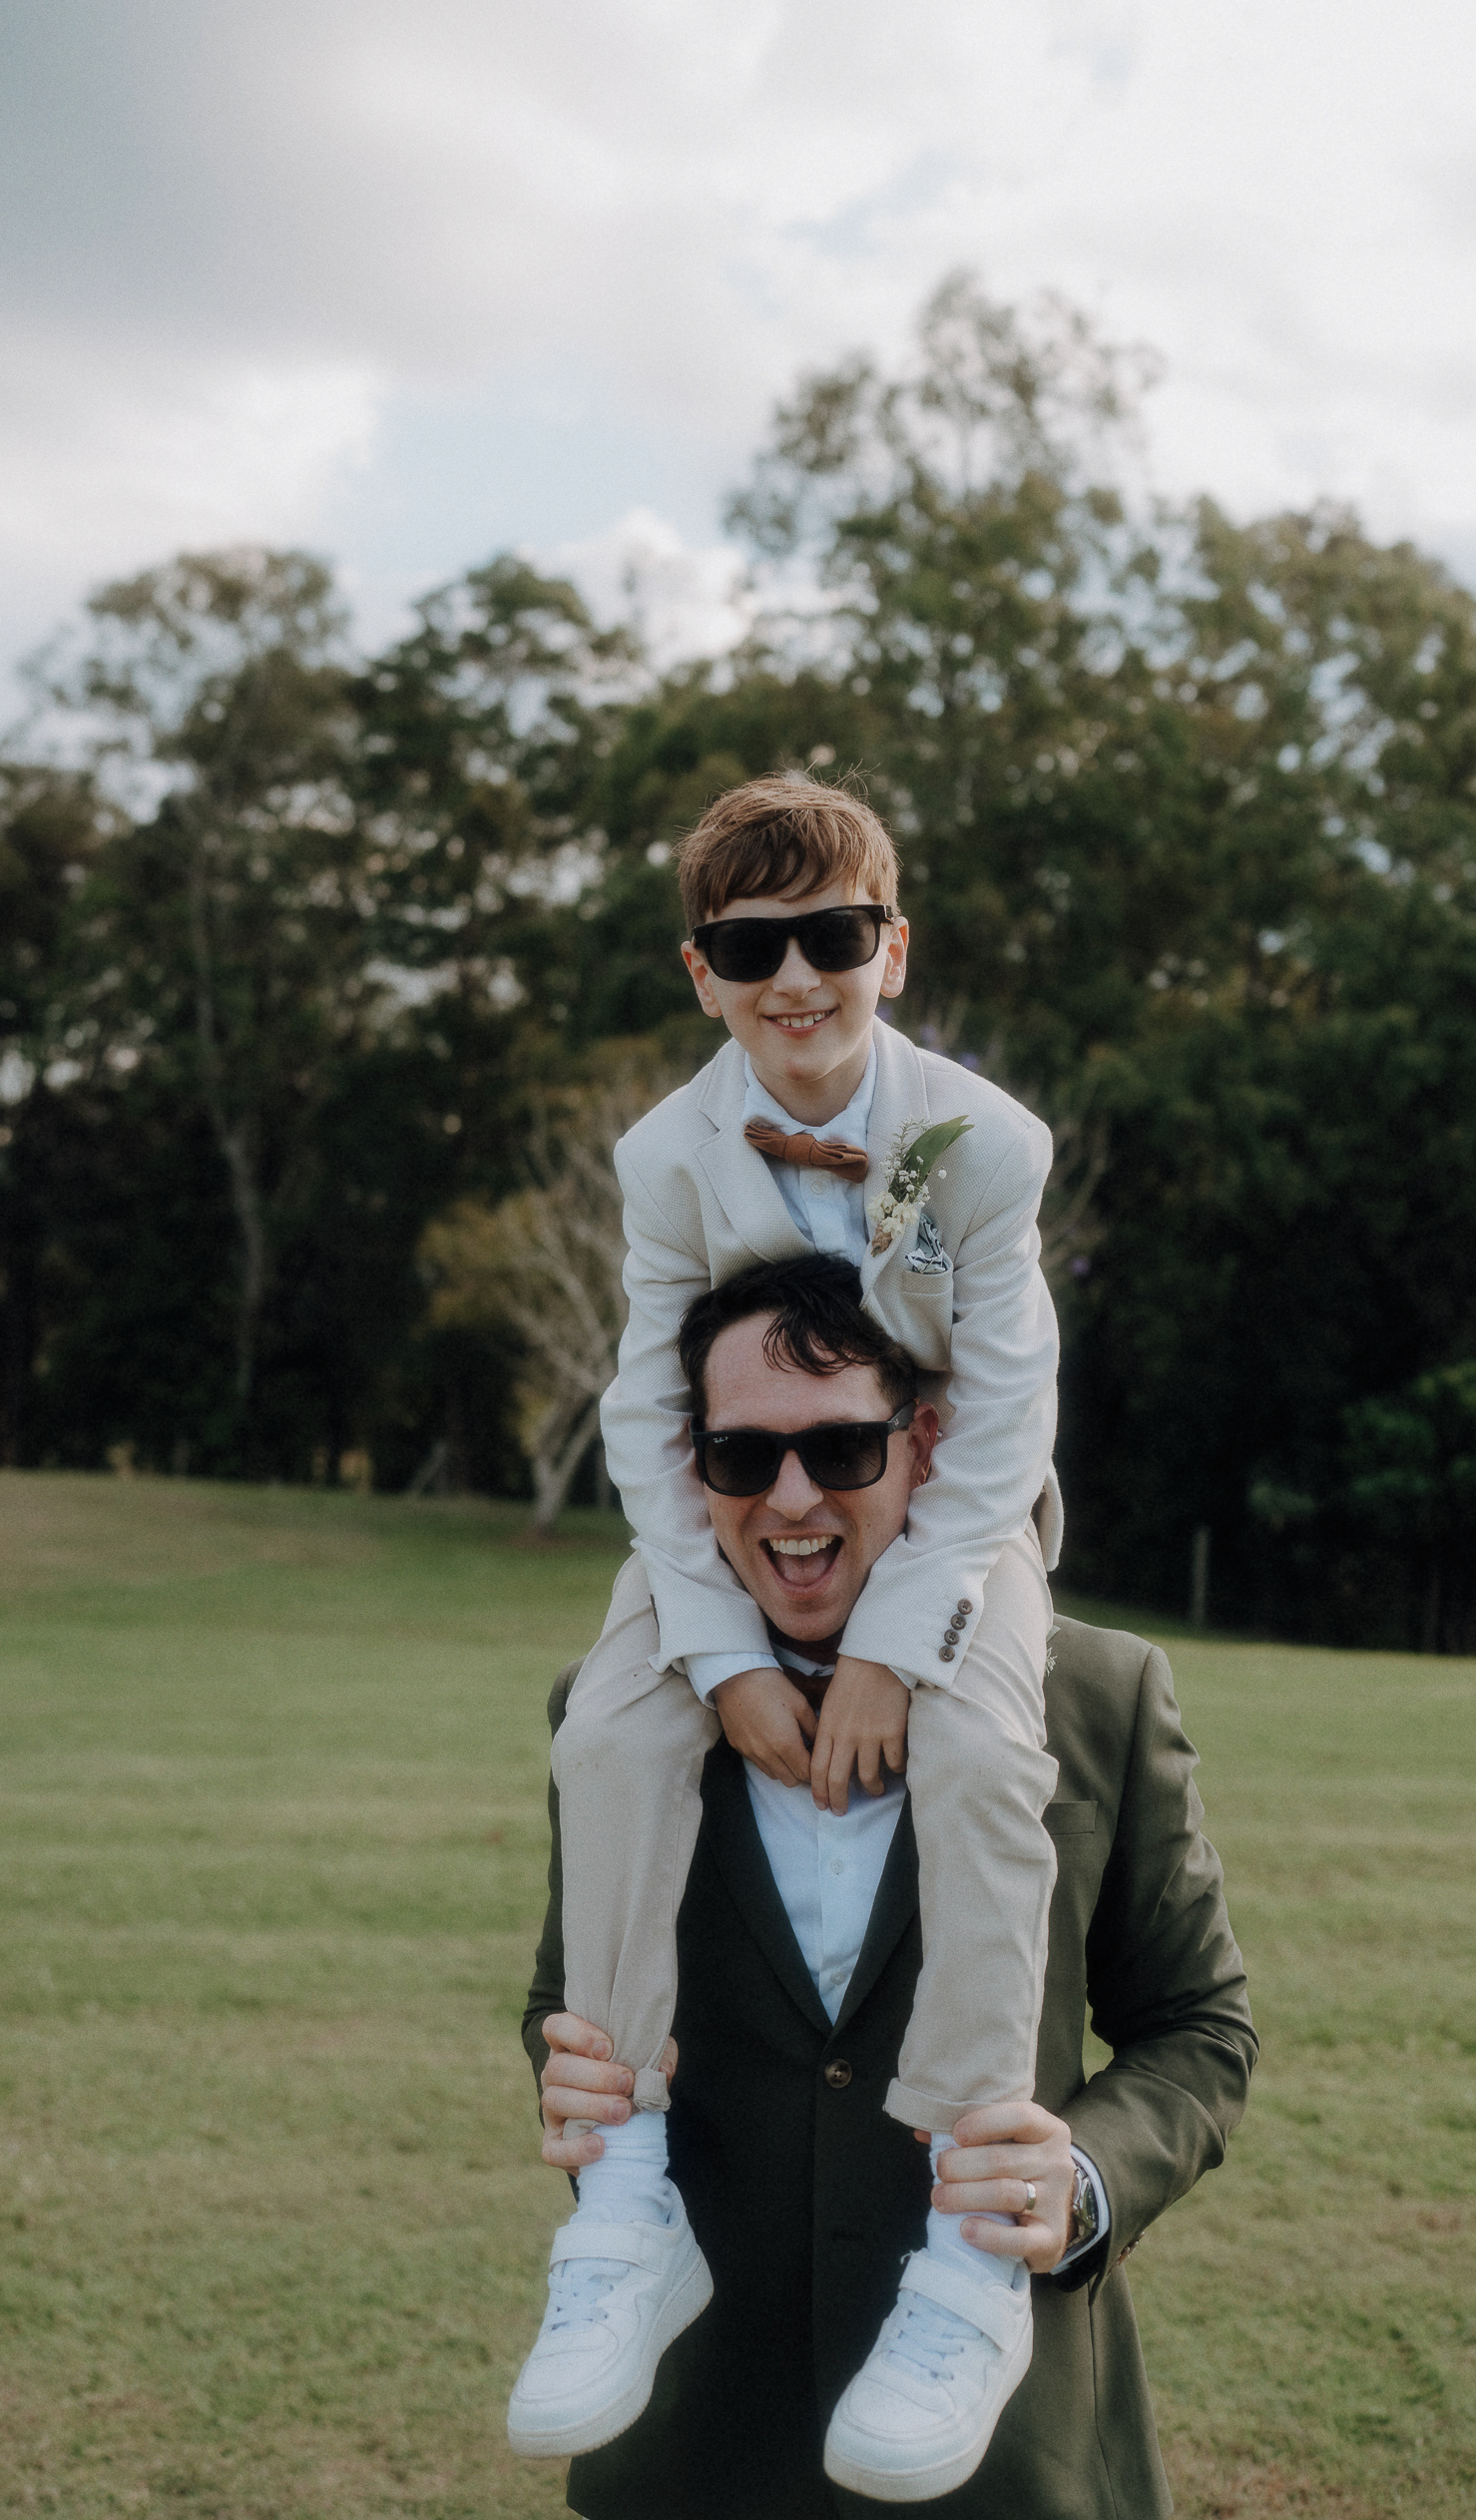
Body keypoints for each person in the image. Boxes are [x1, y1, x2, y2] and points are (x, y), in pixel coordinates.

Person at [510, 771, 1068, 2495]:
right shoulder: (664, 1156)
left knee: (977, 1755)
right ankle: (621, 2209)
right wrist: (725, 1655)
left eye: (830, 937)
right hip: (721, 1521)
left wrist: (897, 1647)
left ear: (888, 948)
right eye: (753, 948)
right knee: (605, 1738)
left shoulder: (985, 1138)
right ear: (702, 973)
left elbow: (1004, 1419)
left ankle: (971, 2256)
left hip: (951, 1525)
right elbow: (638, 1410)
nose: (795, 977)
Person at [517, 1257, 1257, 2518]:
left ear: (923, 1447)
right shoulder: (610, 1715)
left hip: (1008, 2459)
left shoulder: (1098, 1696)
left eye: (842, 1448)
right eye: (742, 1456)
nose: (790, 1497)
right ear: (692, 1469)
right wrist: (566, 2066)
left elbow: (1200, 2031)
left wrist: (1078, 2181)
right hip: (700, 2448)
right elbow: (559, 1999)